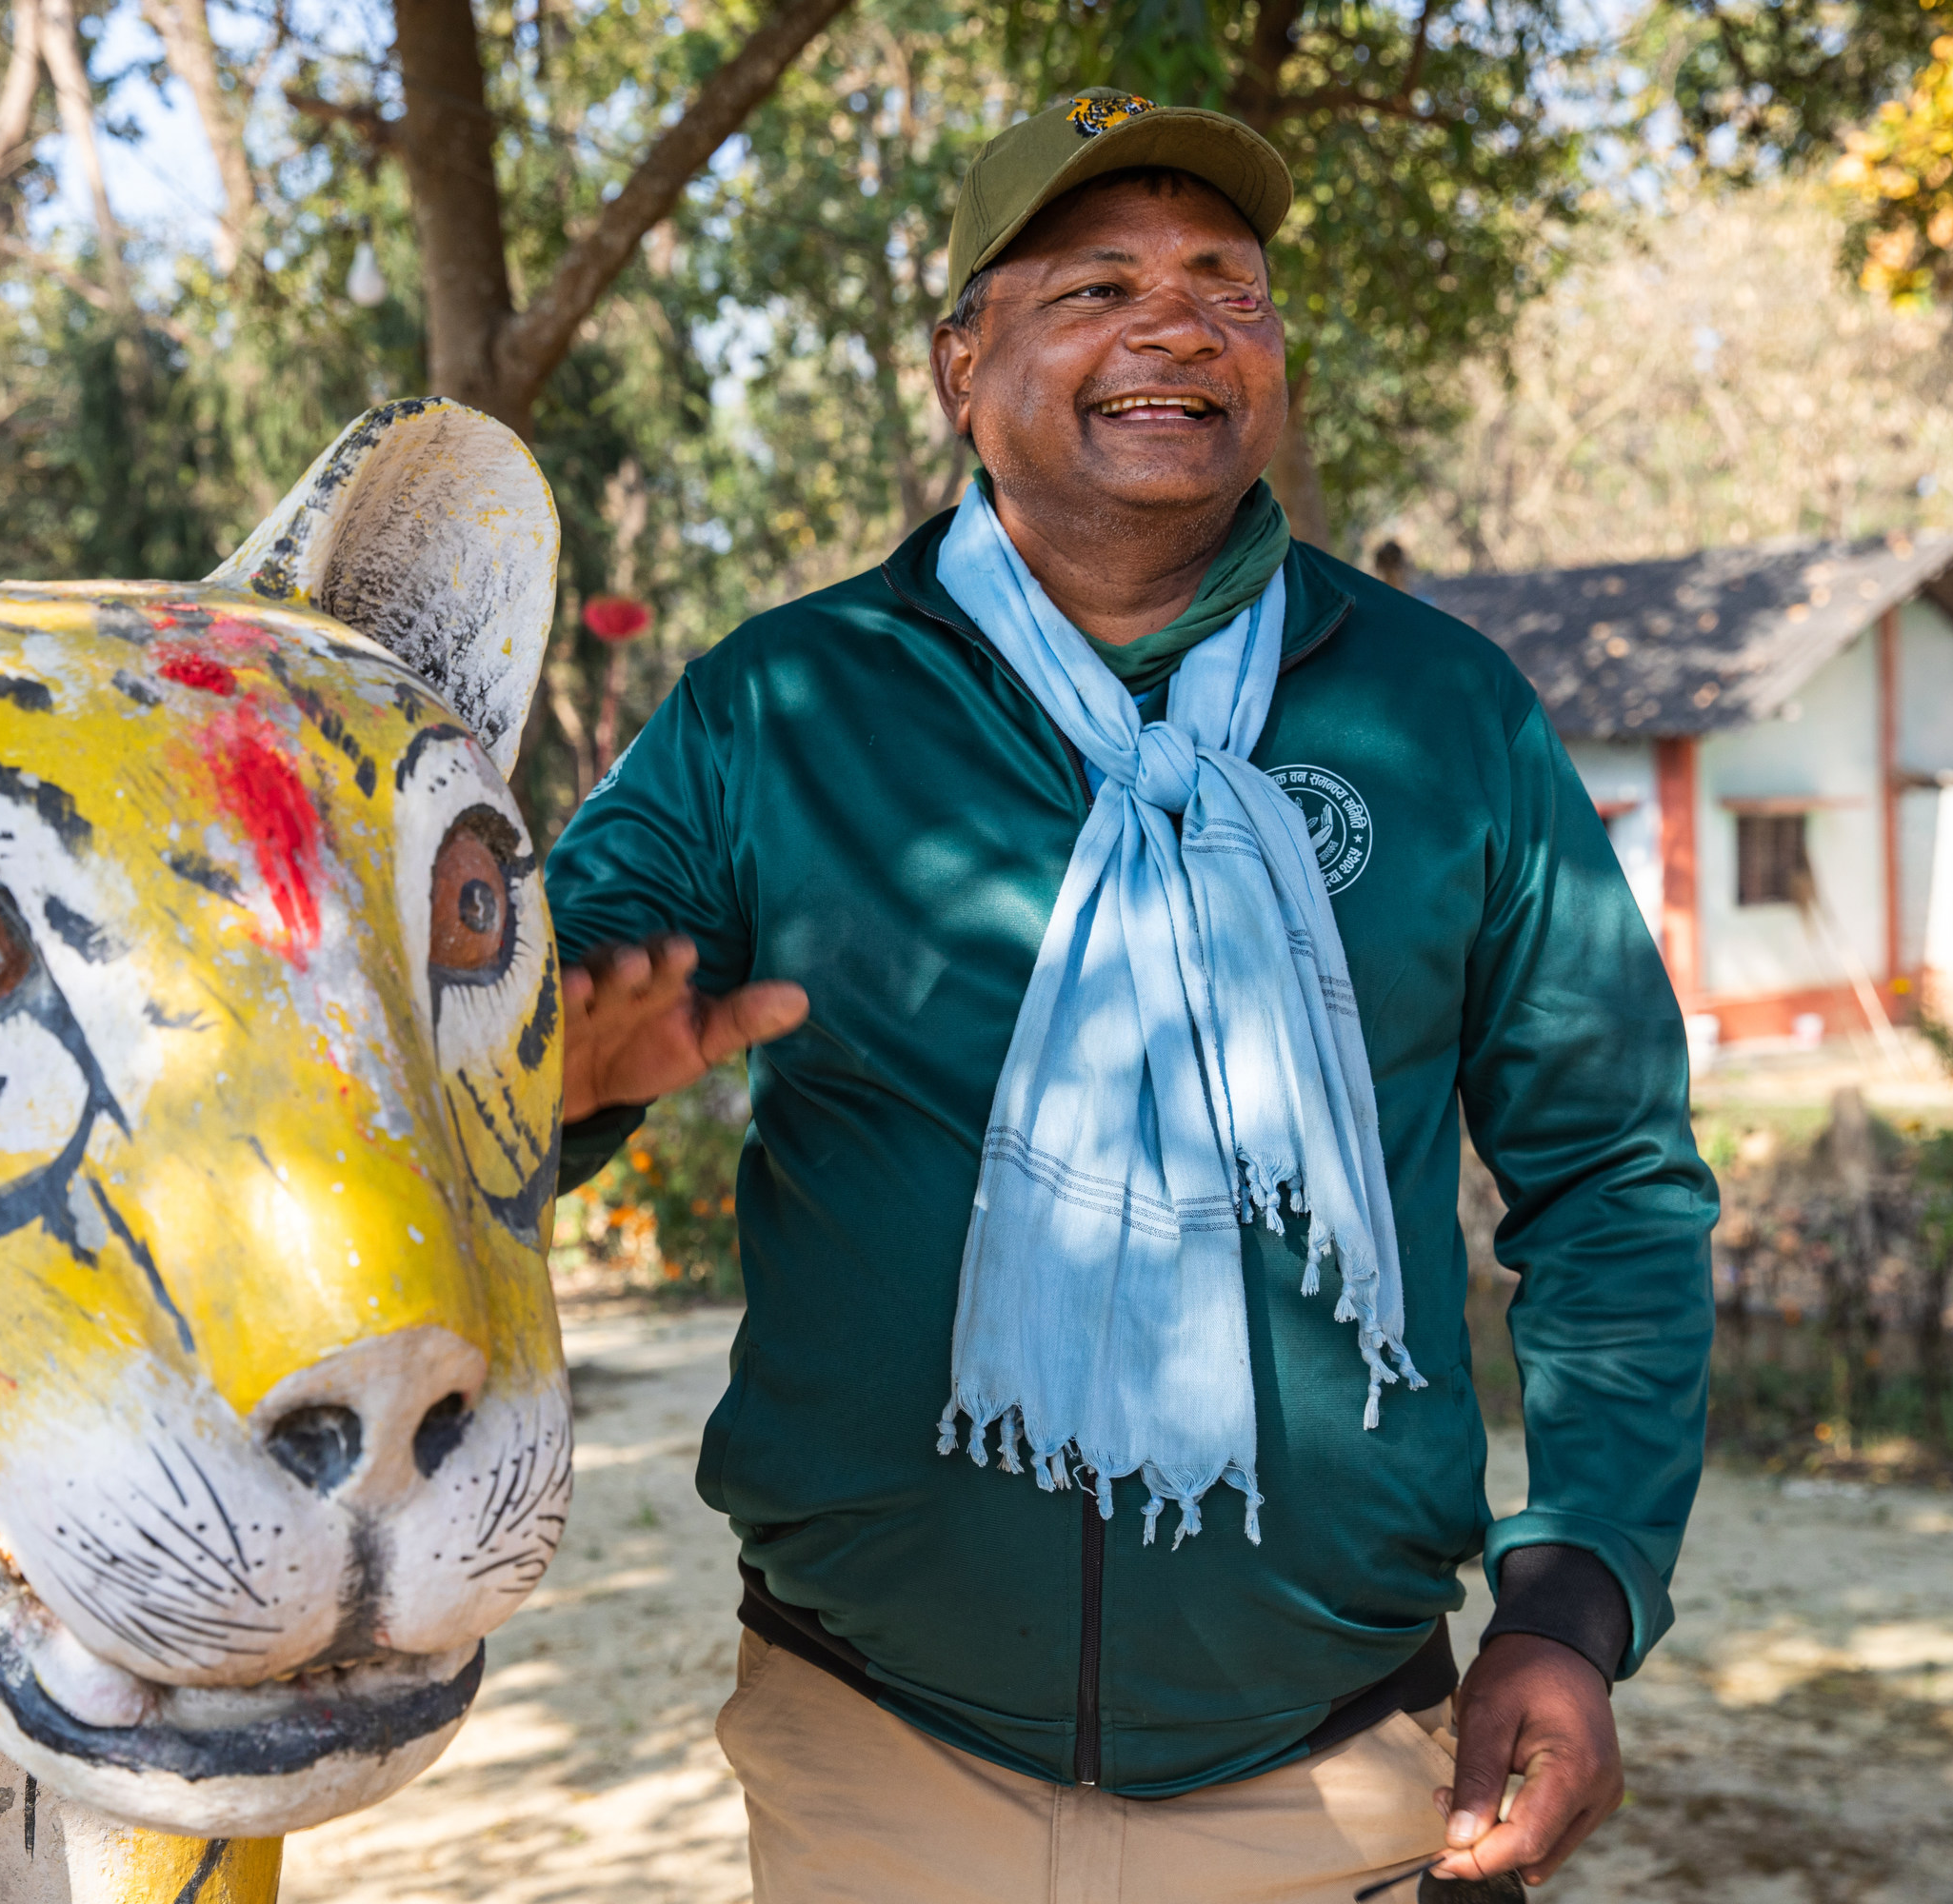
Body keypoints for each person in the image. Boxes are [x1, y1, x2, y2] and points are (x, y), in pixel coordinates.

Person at [540, 88, 1716, 1904]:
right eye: (1093, 284)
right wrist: (553, 1074)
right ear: (960, 363)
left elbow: (1611, 1178)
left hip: (1334, 1769)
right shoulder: (781, 707)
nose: (1176, 327)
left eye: (1226, 288)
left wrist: (1572, 1601)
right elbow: (505, 1036)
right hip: (880, 1754)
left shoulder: (1442, 715)